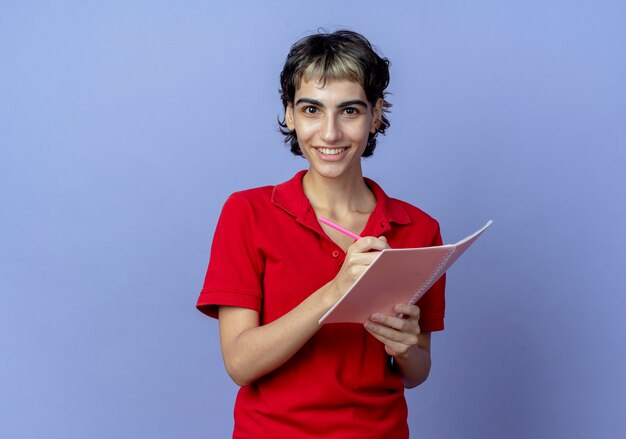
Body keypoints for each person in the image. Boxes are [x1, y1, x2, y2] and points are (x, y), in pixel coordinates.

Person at [196, 29, 445, 438]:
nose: (330, 134)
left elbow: (418, 371)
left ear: (375, 113)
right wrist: (334, 292)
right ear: (290, 114)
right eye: (312, 110)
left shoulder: (419, 228)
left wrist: (404, 348)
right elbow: (240, 364)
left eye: (349, 111)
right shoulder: (248, 213)